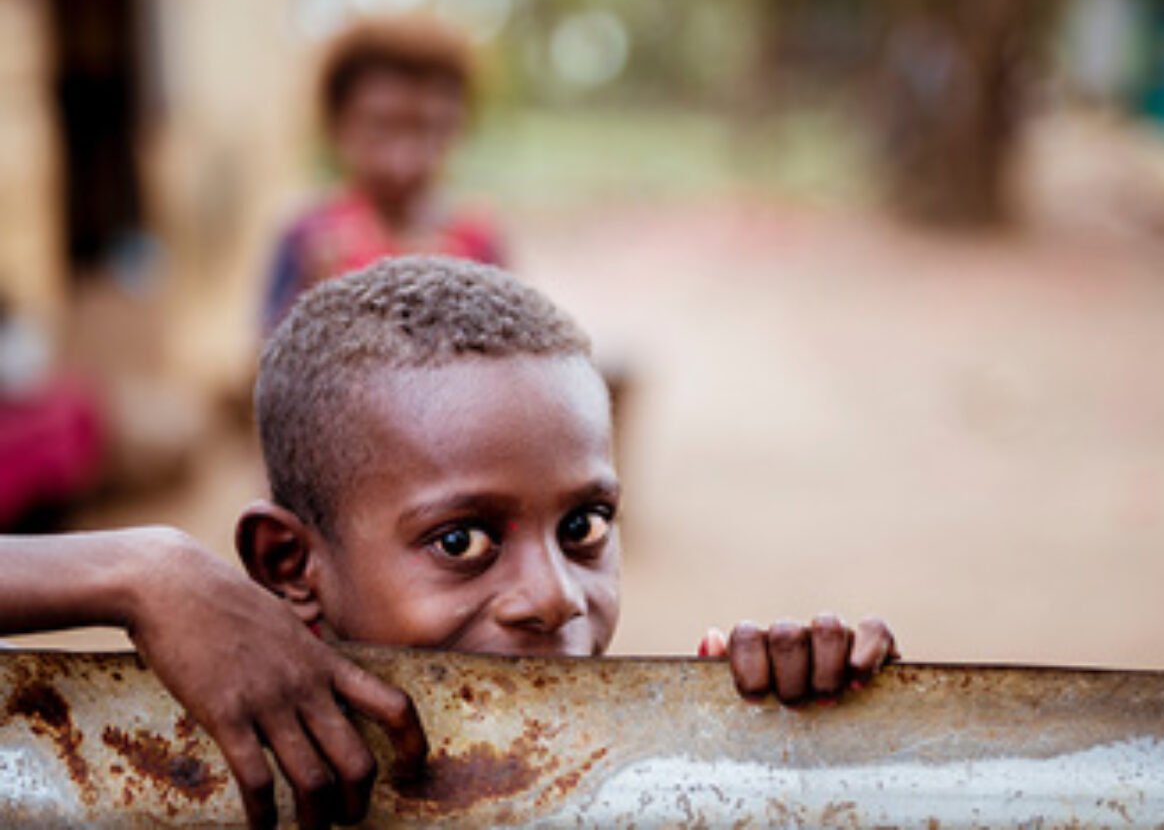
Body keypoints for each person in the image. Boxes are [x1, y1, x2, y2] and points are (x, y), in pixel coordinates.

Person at [1, 257, 896, 830]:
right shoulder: (210, 765)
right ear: (288, 565)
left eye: (583, 527)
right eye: (461, 540)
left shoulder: (638, 767)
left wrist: (794, 744)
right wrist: (138, 570)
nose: (554, 596)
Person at [262, 15, 504, 333]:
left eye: (427, 129)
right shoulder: (309, 240)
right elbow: (267, 354)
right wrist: (315, 307)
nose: (402, 160)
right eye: (382, 128)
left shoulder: (478, 243)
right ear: (339, 125)